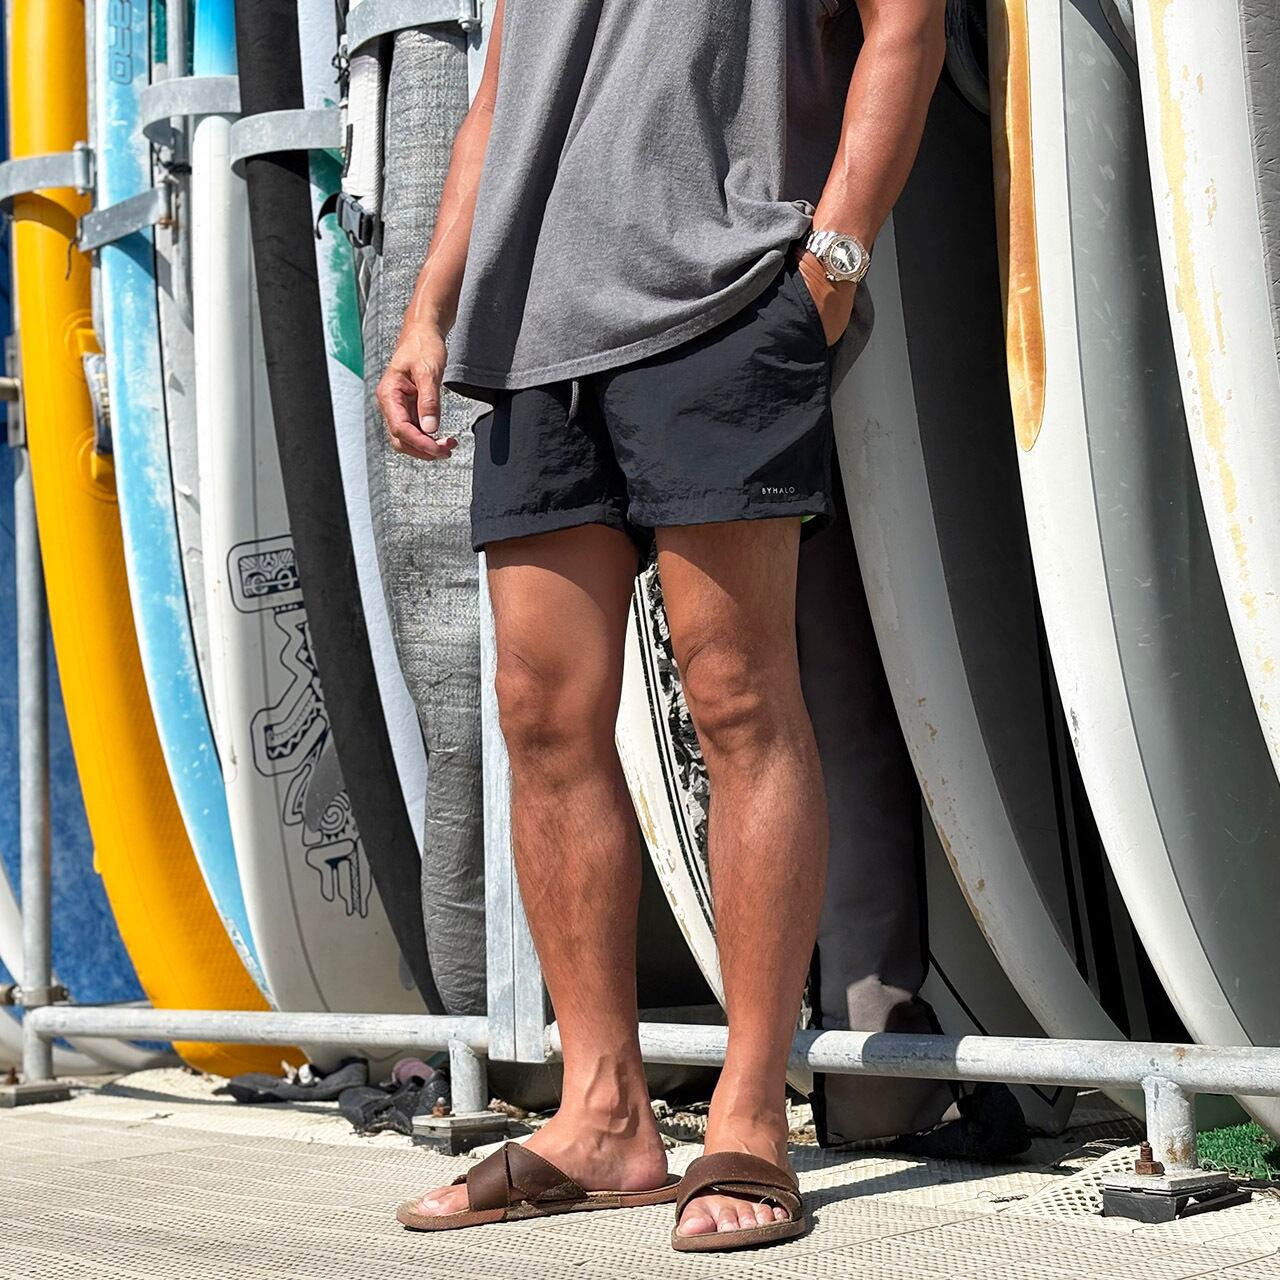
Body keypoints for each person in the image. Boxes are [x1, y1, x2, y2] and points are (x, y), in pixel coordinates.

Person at [378, 0, 945, 1253]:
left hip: (721, 293)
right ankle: (603, 1118)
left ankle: (749, 1112)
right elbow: (501, 92)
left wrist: (831, 264)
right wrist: (430, 304)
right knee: (539, 714)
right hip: (529, 329)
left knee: (734, 693)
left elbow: (905, 25)